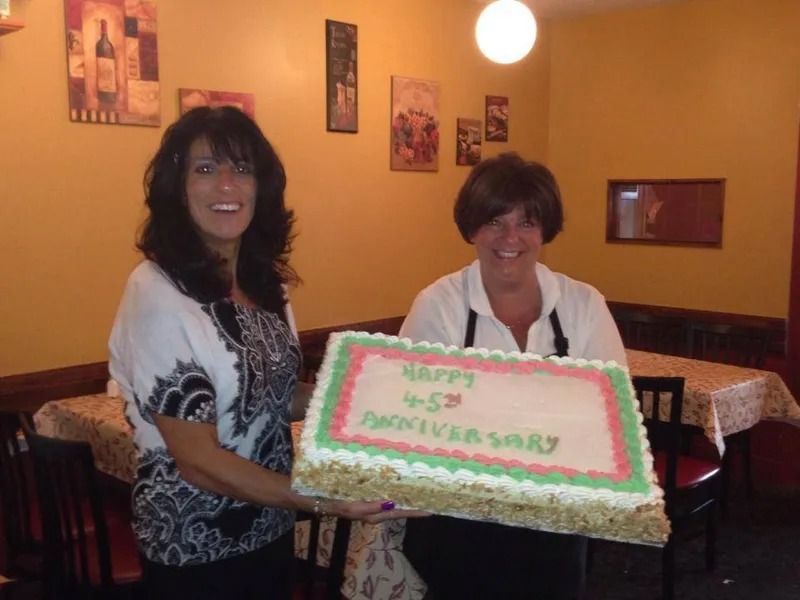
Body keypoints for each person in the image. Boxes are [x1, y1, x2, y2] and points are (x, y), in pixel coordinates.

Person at [109, 106, 422, 599]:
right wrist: (322, 499)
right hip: (195, 548)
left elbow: (275, 396)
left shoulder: (265, 281)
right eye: (206, 169)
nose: (227, 185)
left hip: (269, 528)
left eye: (242, 168)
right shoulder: (155, 293)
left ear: (262, 187)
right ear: (178, 186)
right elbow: (198, 460)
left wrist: (359, 396)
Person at [399, 152, 626, 600]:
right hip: (460, 526)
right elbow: (412, 412)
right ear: (471, 227)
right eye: (495, 221)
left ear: (546, 230)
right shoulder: (439, 306)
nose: (510, 238)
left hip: (555, 521)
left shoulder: (582, 306)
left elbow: (611, 413)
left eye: (527, 223)